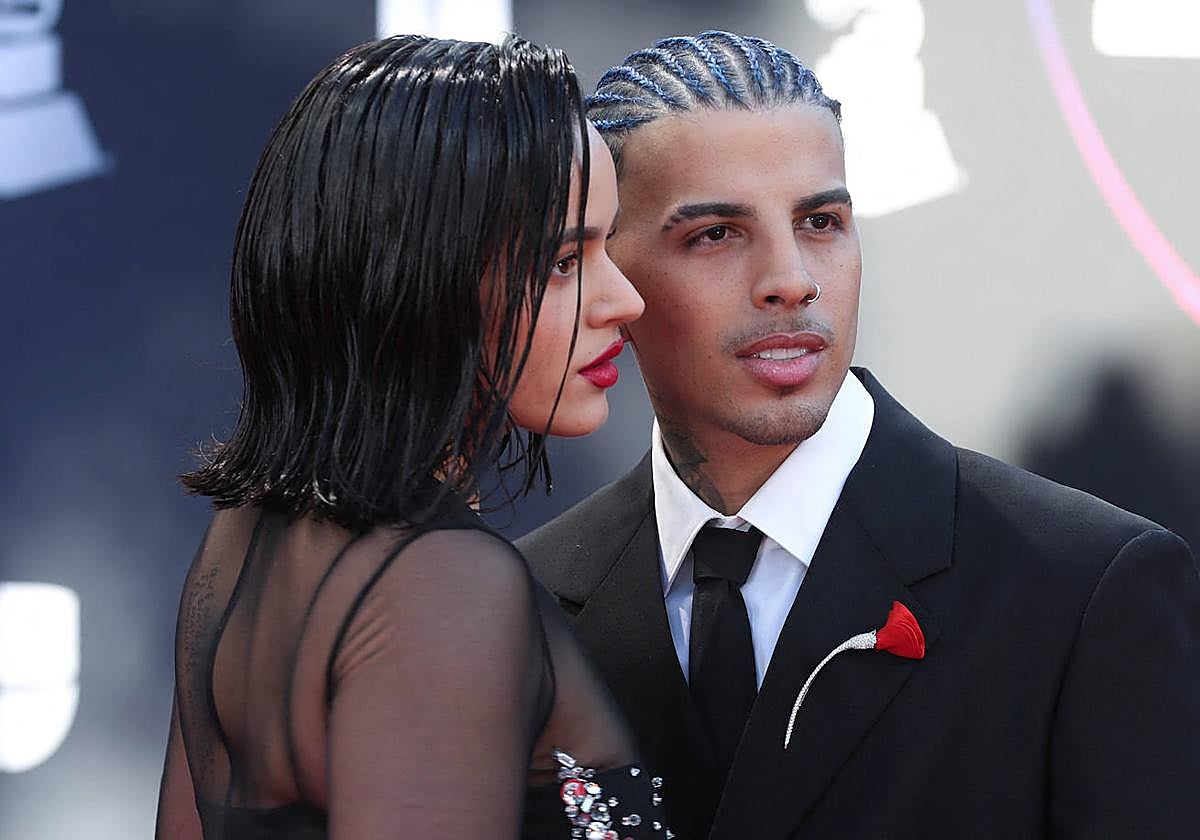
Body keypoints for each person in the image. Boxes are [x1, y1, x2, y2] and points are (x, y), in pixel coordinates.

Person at [519, 30, 1200, 839]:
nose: (790, 281)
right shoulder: (521, 601)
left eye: (821, 221)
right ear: (610, 272)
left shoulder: (1085, 586)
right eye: (715, 234)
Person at [154, 34, 673, 839]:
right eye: (566, 262)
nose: (625, 301)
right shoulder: (441, 584)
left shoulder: (246, 539)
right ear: (422, 278)